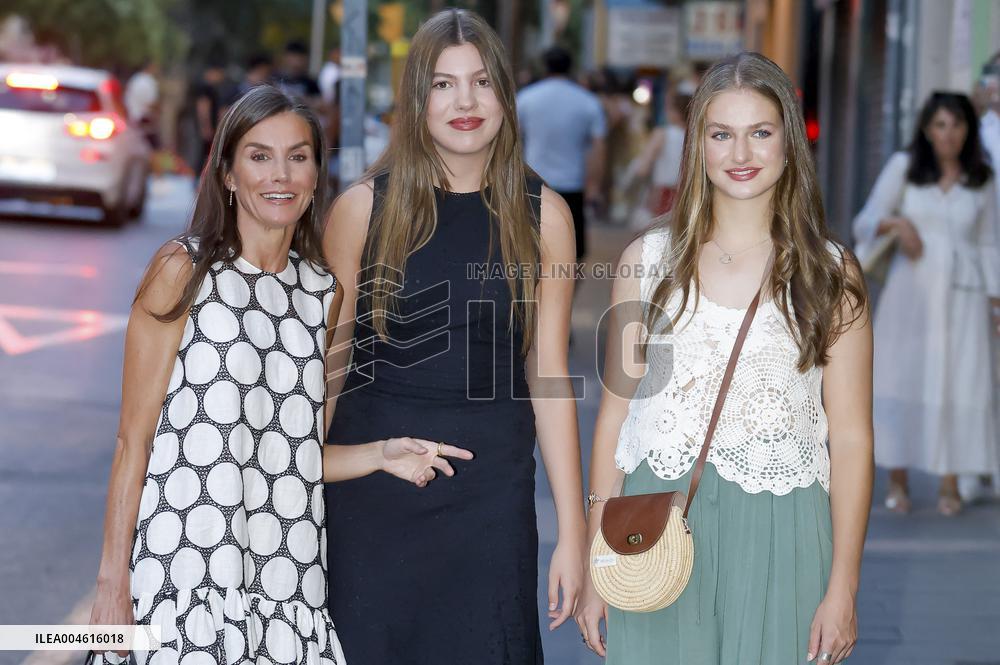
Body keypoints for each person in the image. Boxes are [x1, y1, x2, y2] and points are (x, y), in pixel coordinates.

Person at [87, 85, 472, 665]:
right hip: (185, 572)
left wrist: (381, 454)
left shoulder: (322, 293)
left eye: (298, 157)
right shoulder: (183, 271)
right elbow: (132, 443)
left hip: (285, 582)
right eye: (259, 156)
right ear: (228, 174)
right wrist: (113, 583)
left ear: (316, 175)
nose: (281, 175)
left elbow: (293, 455)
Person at [576, 52, 873, 665]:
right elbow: (615, 417)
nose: (741, 153)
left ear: (789, 144)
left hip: (784, 524)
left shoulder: (830, 273)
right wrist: (594, 559)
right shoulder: (645, 262)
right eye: (721, 134)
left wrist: (843, 587)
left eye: (760, 132)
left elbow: (850, 438)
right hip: (654, 521)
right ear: (698, 147)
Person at [322, 9, 586, 665]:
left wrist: (574, 530)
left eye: (481, 82)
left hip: (490, 501)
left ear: (505, 97)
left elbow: (549, 375)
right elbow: (326, 370)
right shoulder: (362, 210)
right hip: (373, 495)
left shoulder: (545, 217)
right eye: (443, 84)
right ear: (418, 100)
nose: (465, 102)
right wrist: (291, 491)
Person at [853, 91, 1000, 516]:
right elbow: (865, 221)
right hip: (911, 293)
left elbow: (990, 243)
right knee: (903, 380)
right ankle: (897, 480)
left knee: (961, 383)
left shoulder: (982, 177)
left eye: (956, 124)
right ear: (926, 129)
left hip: (965, 295)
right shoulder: (905, 167)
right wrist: (898, 224)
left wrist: (996, 303)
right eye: (940, 125)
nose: (948, 134)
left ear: (969, 130)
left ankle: (950, 481)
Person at [517, 46, 607, 260]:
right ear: (571, 67)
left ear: (545, 67)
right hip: (572, 185)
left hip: (533, 183)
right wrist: (594, 186)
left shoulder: (525, 98)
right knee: (572, 252)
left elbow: (513, 141)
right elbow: (599, 148)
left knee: (530, 250)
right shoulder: (588, 101)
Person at [625, 83, 693, 221]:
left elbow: (643, 168)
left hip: (663, 194)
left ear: (675, 112)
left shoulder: (662, 134)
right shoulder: (696, 136)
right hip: (688, 196)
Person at [274, 41, 321, 107]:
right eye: (293, 57)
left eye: (299, 58)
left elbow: (319, 104)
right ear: (285, 58)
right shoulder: (274, 80)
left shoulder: (311, 84)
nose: (296, 62)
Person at [124, 60, 159, 148]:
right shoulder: (149, 82)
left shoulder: (135, 79)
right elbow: (151, 103)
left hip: (132, 118)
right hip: (144, 119)